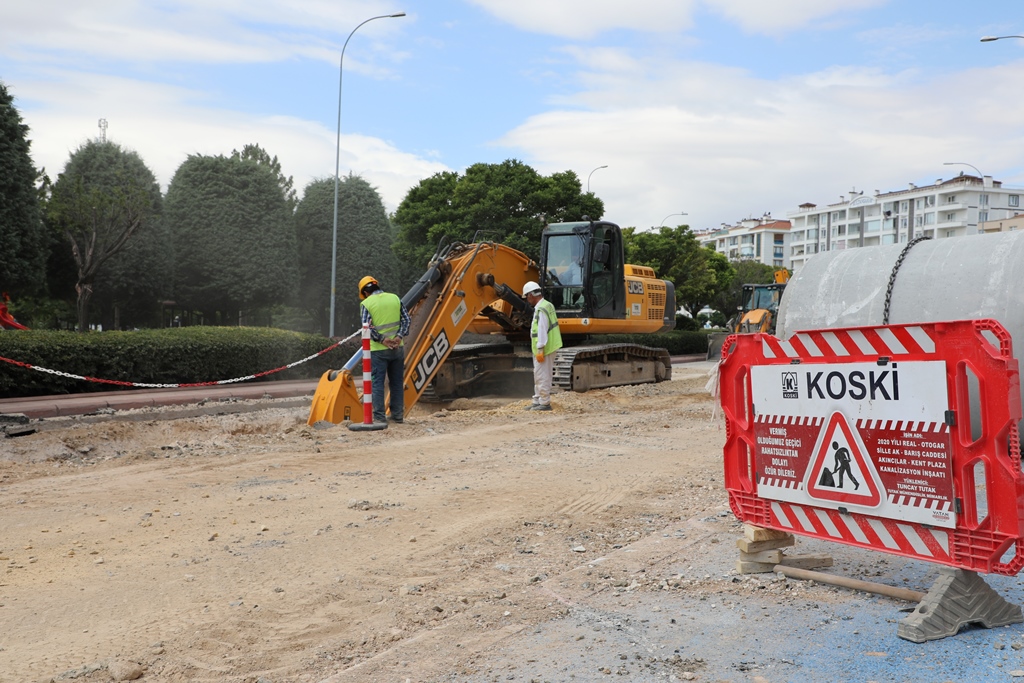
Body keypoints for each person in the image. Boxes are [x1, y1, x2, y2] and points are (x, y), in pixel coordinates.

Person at [359, 275, 411, 425]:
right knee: (396, 383)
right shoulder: (395, 298)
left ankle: (380, 417)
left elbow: (366, 327)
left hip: (378, 351)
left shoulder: (366, 303)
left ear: (365, 292)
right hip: (397, 348)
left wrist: (382, 339)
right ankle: (397, 416)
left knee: (377, 384)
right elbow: (406, 320)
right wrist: (399, 337)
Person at [522, 280, 562, 411]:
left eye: (527, 297)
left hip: (545, 348)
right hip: (546, 347)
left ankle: (544, 403)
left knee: (542, 375)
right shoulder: (547, 305)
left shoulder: (541, 309)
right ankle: (537, 400)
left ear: (530, 295)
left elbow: (542, 329)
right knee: (539, 374)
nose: (527, 300)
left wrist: (540, 348)